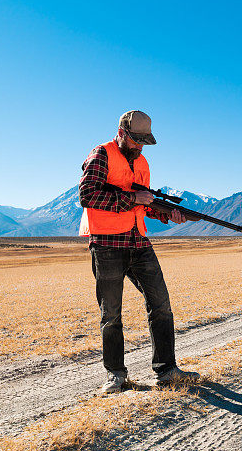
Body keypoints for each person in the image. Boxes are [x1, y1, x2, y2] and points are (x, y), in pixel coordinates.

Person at [79, 110, 200, 394]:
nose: (140, 146)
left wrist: (167, 214)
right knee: (112, 314)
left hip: (138, 241)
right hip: (107, 244)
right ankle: (116, 376)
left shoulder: (142, 162)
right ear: (121, 133)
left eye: (144, 141)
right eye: (135, 140)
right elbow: (87, 195)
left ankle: (167, 370)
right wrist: (133, 197)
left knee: (161, 305)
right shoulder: (102, 154)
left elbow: (143, 205)